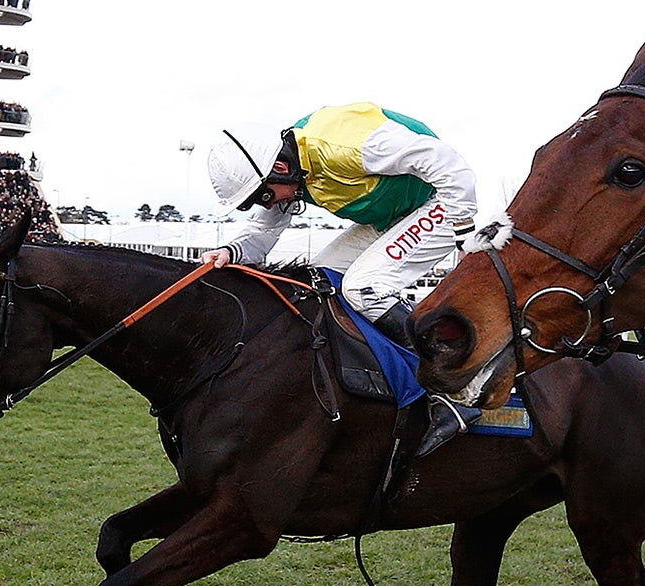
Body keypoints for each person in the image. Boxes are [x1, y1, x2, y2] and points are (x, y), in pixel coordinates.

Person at [201, 102, 481, 452]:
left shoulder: (348, 146)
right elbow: (261, 235)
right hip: (394, 214)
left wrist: (465, 237)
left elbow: (453, 168)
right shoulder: (289, 169)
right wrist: (228, 253)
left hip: (443, 199)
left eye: (264, 196)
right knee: (317, 282)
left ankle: (451, 386)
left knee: (364, 288)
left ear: (279, 167)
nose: (267, 205)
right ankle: (377, 385)